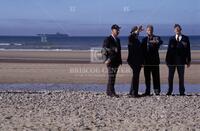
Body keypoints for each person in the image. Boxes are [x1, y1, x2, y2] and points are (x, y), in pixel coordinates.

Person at [166, 24, 191, 96]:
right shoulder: (171, 38)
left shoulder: (186, 38)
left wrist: (188, 60)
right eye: (176, 29)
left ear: (180, 29)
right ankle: (169, 91)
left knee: (181, 77)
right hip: (171, 61)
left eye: (178, 29)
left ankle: (182, 92)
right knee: (170, 77)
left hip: (181, 61)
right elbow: (168, 50)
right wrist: (167, 60)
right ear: (174, 30)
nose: (177, 30)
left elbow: (188, 50)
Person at [142, 25, 163, 96]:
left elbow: (160, 42)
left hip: (155, 61)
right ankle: (147, 91)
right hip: (146, 61)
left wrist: (155, 41)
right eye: (148, 30)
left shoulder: (157, 37)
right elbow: (141, 50)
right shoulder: (144, 39)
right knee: (147, 77)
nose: (149, 31)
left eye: (150, 30)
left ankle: (157, 91)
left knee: (156, 77)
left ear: (152, 30)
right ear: (146, 31)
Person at [102, 24, 122, 97]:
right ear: (112, 30)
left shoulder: (118, 39)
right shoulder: (108, 39)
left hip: (116, 61)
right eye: (117, 30)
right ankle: (112, 93)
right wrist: (105, 60)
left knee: (113, 76)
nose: (118, 31)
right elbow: (104, 49)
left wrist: (120, 61)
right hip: (110, 61)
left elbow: (118, 51)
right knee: (112, 77)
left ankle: (108, 91)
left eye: (119, 30)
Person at [127, 25, 145, 97]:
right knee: (135, 76)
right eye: (137, 32)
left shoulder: (137, 40)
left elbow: (140, 52)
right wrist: (136, 32)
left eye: (138, 33)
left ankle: (132, 92)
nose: (138, 34)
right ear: (133, 32)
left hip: (138, 61)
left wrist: (142, 62)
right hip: (133, 61)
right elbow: (131, 37)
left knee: (135, 76)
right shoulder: (131, 38)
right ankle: (134, 93)